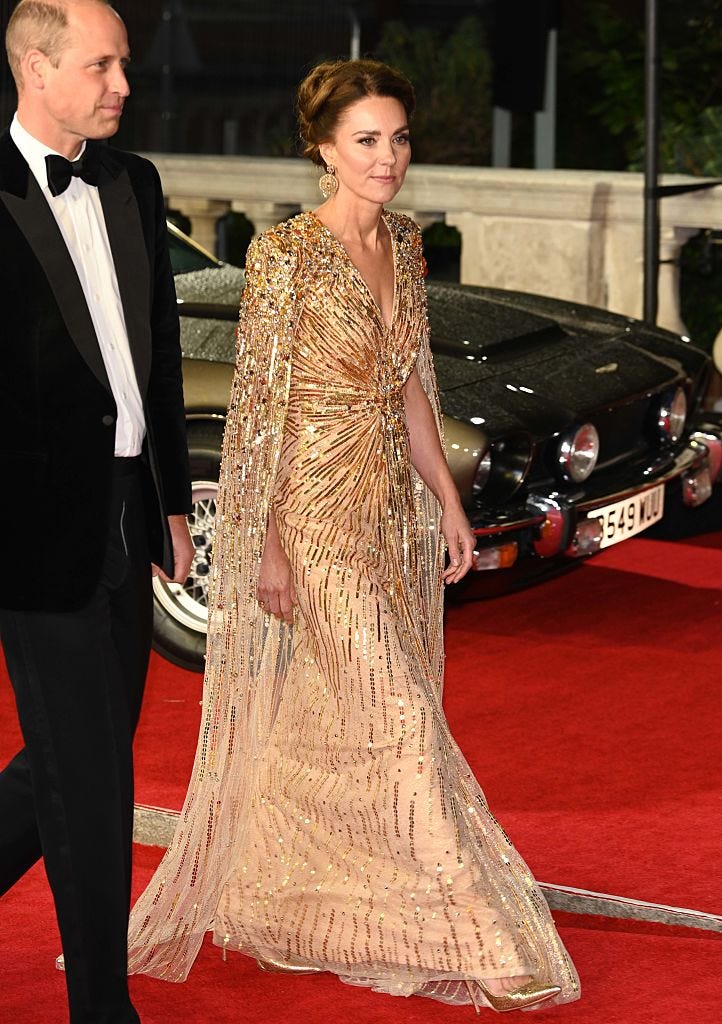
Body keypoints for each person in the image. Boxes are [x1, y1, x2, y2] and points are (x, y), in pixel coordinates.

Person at [128, 59, 580, 1013]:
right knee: (400, 716)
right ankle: (479, 936)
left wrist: (449, 504)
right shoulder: (285, 254)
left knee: (349, 710)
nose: (387, 159)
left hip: (386, 510)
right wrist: (272, 547)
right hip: (314, 512)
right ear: (323, 149)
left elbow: (412, 384)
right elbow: (262, 412)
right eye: (366, 140)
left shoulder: (405, 243)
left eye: (399, 138)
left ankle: (286, 893)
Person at [0, 2, 193, 1021]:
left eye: (124, 63)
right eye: (102, 64)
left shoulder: (132, 180)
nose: (123, 83)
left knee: (80, 754)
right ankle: (102, 1006)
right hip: (30, 535)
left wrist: (166, 499)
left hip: (126, 515)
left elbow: (152, 357)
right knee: (94, 779)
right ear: (36, 67)